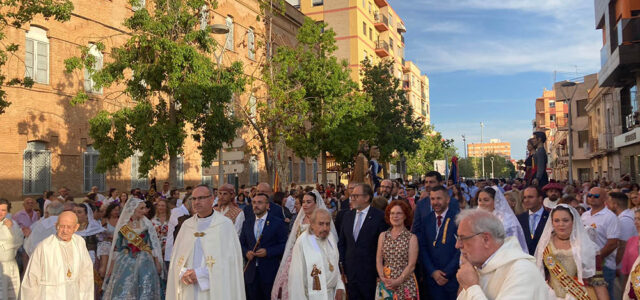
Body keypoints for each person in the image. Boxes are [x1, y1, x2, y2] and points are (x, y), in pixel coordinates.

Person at [166, 185, 245, 299]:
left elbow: (229, 263)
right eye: (194, 198)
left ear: (212, 199)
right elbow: (177, 259)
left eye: (201, 198)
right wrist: (182, 272)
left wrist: (200, 275)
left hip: (214, 289)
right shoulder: (187, 226)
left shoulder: (224, 225)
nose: (196, 202)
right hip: (188, 287)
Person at [455, 209, 549, 300]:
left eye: (463, 238)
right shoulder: (479, 268)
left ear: (486, 239)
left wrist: (472, 287)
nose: (457, 245)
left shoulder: (521, 271)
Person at [272, 190, 335, 300]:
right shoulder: (300, 218)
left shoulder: (321, 220)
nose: (305, 205)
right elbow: (293, 239)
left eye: (308, 202)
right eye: (303, 202)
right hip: (295, 256)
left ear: (316, 204)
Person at [534, 204, 604, 299]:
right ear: (552, 223)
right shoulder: (545, 244)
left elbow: (598, 281)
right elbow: (540, 273)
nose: (561, 224)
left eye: (565, 220)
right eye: (556, 220)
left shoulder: (586, 245)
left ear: (573, 221)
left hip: (580, 296)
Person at [20, 211, 94, 299]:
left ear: (76, 227)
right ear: (56, 226)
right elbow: (31, 280)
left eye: (69, 227)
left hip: (74, 294)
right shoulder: (44, 247)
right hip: (50, 295)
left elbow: (86, 274)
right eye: (62, 226)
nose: (65, 231)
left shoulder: (79, 243)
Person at [101, 198, 163, 299]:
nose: (144, 211)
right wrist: (111, 267)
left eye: (145, 208)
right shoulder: (124, 225)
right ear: (133, 209)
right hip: (125, 260)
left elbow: (153, 246)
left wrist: (157, 262)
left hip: (145, 260)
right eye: (141, 208)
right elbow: (117, 247)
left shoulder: (147, 224)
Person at [338, 183, 388, 300]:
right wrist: (342, 268)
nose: (352, 198)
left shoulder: (379, 217)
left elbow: (383, 247)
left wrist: (379, 273)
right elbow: (342, 243)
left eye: (356, 196)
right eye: (352, 195)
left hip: (370, 274)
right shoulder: (347, 216)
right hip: (351, 274)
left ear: (366, 198)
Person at [288, 208, 345, 300]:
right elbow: (296, 278)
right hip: (312, 296)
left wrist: (339, 286)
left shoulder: (330, 238)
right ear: (312, 224)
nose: (325, 228)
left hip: (332, 294)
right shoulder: (303, 242)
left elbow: (335, 266)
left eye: (327, 224)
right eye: (321, 224)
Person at [240, 193, 288, 300]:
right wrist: (246, 252)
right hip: (251, 274)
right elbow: (241, 244)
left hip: (269, 272)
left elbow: (284, 245)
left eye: (260, 203)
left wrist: (268, 251)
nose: (256, 205)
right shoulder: (247, 223)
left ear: (267, 206)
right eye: (254, 202)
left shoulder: (278, 223)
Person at [416, 186, 459, 299]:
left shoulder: (458, 219)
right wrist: (433, 271)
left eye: (439, 198)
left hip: (453, 278)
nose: (435, 202)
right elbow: (423, 248)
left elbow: (462, 249)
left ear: (448, 199)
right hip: (432, 279)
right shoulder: (426, 220)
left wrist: (447, 272)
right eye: (432, 199)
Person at [582, 187, 620, 299]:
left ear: (604, 198)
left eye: (596, 196)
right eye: (589, 195)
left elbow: (613, 243)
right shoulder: (584, 216)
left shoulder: (610, 217)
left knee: (606, 295)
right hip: (586, 265)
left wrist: (597, 258)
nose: (592, 198)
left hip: (605, 266)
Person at [377, 200, 420, 299]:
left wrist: (398, 281)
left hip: (406, 283)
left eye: (399, 213)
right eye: (392, 213)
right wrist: (383, 278)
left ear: (405, 216)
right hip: (386, 283)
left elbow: (411, 265)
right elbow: (379, 260)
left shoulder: (411, 238)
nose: (395, 216)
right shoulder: (383, 236)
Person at [477, 186, 529, 253]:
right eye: (479, 200)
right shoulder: (478, 218)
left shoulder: (508, 221)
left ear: (496, 201)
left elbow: (513, 247)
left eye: (486, 200)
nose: (482, 203)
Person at [0, 199, 23, 300]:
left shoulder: (12, 223)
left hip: (11, 264)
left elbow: (19, 241)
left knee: (13, 294)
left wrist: (10, 229)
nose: (0, 213)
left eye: (3, 210)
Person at [517, 186, 550, 256]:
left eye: (530, 197)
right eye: (525, 197)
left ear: (540, 199)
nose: (526, 200)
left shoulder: (550, 217)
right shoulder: (519, 218)